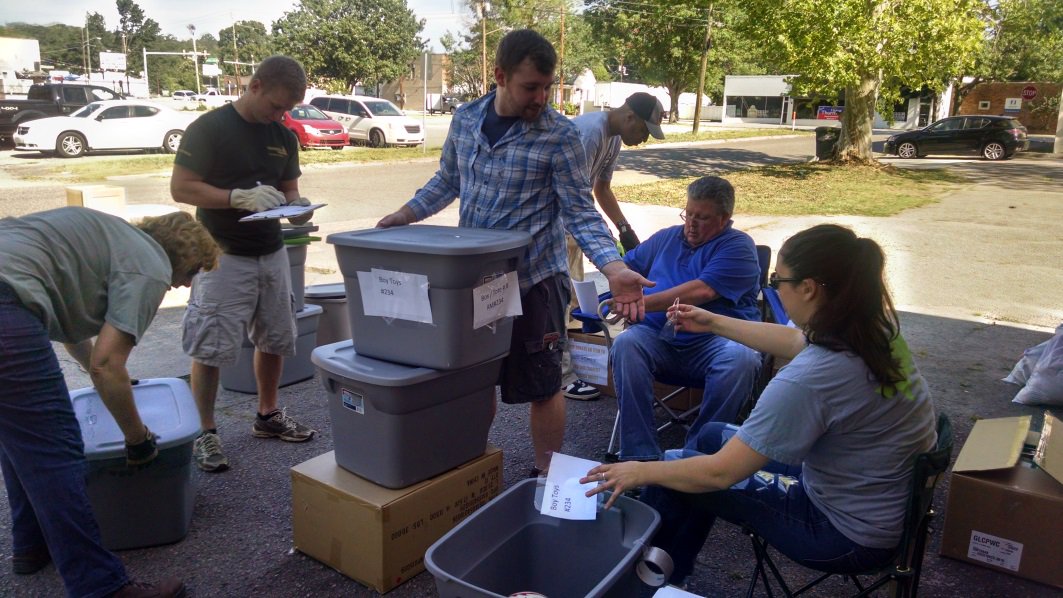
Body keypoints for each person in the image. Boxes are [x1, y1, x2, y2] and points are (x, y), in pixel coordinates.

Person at [582, 224, 937, 586]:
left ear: (808, 288)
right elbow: (796, 341)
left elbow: (720, 474)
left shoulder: (811, 378)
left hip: (843, 532)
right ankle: (673, 571)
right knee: (711, 436)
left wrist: (640, 471)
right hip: (884, 503)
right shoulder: (872, 330)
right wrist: (712, 321)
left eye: (778, 280)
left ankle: (644, 581)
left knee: (673, 470)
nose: (775, 288)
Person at [377, 29, 652, 476]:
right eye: (530, 87)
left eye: (547, 87)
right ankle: (471, 466)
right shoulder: (466, 119)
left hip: (535, 280)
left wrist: (614, 267)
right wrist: (404, 215)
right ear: (501, 76)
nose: (541, 98)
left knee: (543, 384)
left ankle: (547, 476)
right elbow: (447, 181)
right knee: (474, 378)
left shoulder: (560, 136)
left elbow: (580, 211)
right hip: (477, 280)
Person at [0, 207, 218, 598]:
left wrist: (110, 379)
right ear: (183, 256)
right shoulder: (150, 265)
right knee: (56, 451)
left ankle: (31, 544)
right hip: (5, 305)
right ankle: (100, 586)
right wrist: (138, 439)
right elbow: (107, 365)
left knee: (22, 435)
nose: (185, 285)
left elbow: (76, 336)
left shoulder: (113, 238)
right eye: (193, 272)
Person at [171, 55, 317, 473]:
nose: (281, 115)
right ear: (254, 86)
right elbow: (181, 188)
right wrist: (235, 197)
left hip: (271, 251)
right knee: (211, 344)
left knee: (274, 336)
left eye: (288, 109)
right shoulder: (210, 128)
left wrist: (298, 208)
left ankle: (267, 414)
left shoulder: (283, 136)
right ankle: (205, 431)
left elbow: (289, 190)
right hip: (222, 254)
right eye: (276, 106)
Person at [610, 175, 762, 461]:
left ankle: (697, 457)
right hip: (658, 338)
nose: (691, 223)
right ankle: (639, 456)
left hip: (714, 342)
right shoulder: (667, 237)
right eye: (688, 213)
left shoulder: (738, 246)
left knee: (741, 358)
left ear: (724, 219)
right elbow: (625, 268)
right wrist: (614, 276)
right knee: (626, 344)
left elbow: (701, 291)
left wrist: (637, 303)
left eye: (701, 217)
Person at [560, 92, 667, 401]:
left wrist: (624, 228)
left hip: (571, 230)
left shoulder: (613, 137)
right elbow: (574, 198)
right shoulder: (590, 133)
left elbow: (602, 188)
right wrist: (603, 244)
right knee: (558, 299)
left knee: (573, 299)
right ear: (630, 116)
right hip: (555, 227)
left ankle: (574, 365)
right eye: (644, 131)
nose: (644, 139)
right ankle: (561, 377)